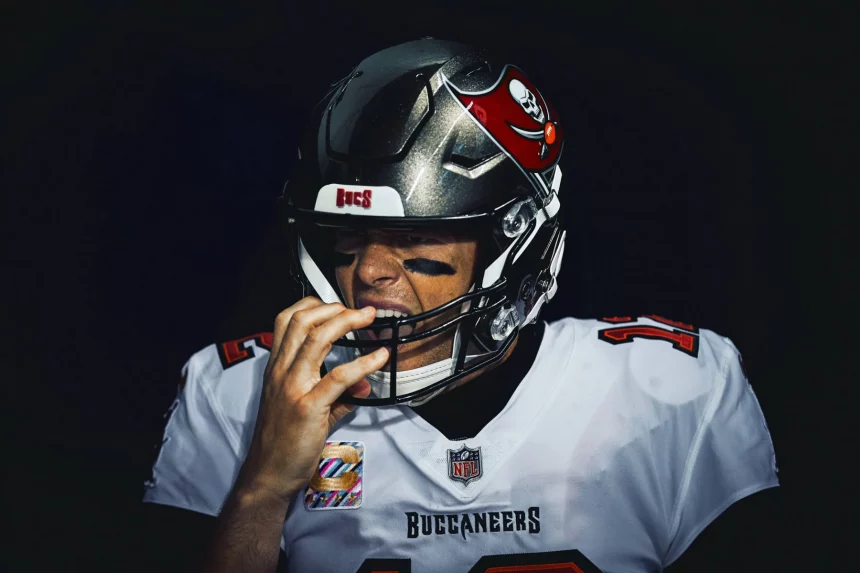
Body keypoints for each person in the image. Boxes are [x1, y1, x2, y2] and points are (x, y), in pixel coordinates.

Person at [141, 39, 779, 573]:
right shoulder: (237, 390)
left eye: (414, 238)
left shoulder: (670, 388)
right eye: (347, 237)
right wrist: (263, 489)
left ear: (516, 240)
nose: (368, 272)